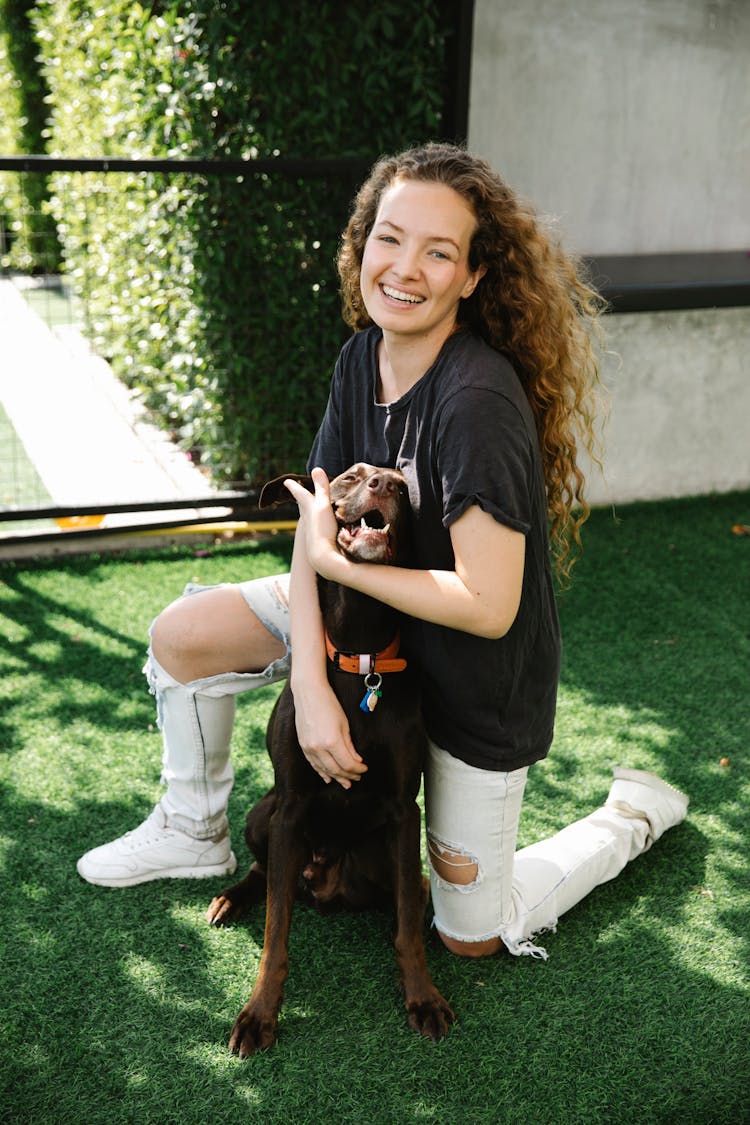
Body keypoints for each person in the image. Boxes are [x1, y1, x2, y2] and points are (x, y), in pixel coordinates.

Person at [77, 142, 688, 958]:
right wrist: (311, 688)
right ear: (361, 244)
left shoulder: (475, 401)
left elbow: (489, 601)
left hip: (470, 678)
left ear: (473, 277)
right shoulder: (361, 355)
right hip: (362, 632)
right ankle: (193, 829)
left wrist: (333, 568)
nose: (405, 268)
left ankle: (628, 819)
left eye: (440, 252)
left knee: (471, 934)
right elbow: (316, 519)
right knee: (184, 635)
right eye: (390, 238)